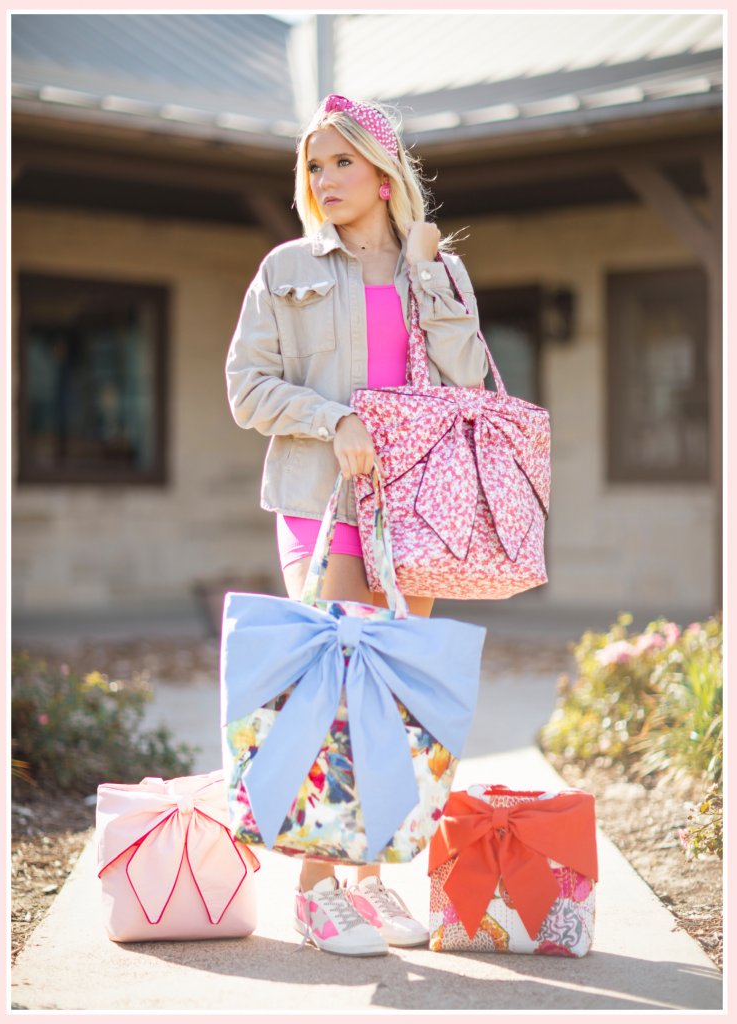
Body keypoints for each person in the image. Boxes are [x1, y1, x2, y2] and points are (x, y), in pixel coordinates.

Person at [225, 94, 489, 957]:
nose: (324, 179)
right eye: (313, 165)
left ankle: (369, 882)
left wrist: (429, 270)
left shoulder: (430, 266)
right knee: (339, 686)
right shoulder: (286, 267)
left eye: (342, 162)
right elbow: (247, 388)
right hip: (322, 498)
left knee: (391, 700)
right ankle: (314, 891)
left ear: (383, 172)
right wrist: (332, 418)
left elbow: (469, 384)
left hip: (414, 510)